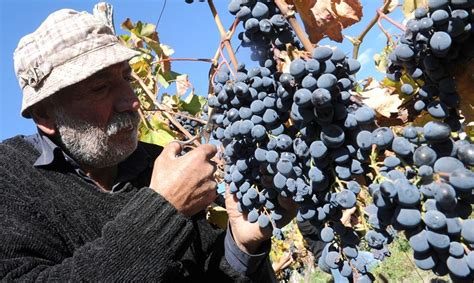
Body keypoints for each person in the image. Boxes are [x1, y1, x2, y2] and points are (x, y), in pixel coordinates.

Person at [0, 9, 296, 282]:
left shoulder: (160, 163)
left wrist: (241, 249)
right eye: (100, 87)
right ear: (45, 113)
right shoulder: (9, 176)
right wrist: (164, 210)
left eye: (127, 77)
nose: (132, 100)